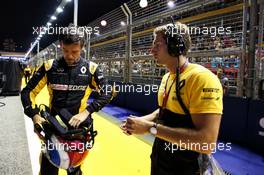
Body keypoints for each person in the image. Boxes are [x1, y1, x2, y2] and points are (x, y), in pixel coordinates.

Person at [121, 22, 223, 174]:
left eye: (157, 45)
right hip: (161, 161)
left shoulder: (201, 78)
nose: (152, 50)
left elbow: (206, 142)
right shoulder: (167, 77)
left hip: (186, 168)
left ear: (176, 46)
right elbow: (163, 111)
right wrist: (141, 122)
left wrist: (150, 128)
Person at [21, 26, 113, 175]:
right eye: (65, 50)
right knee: (48, 170)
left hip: (78, 131)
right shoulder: (49, 66)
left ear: (82, 48)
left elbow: (108, 93)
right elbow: (27, 92)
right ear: (61, 46)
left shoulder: (92, 69)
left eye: (75, 52)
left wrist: (87, 111)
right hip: (53, 129)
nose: (69, 56)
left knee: (74, 170)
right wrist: (35, 116)